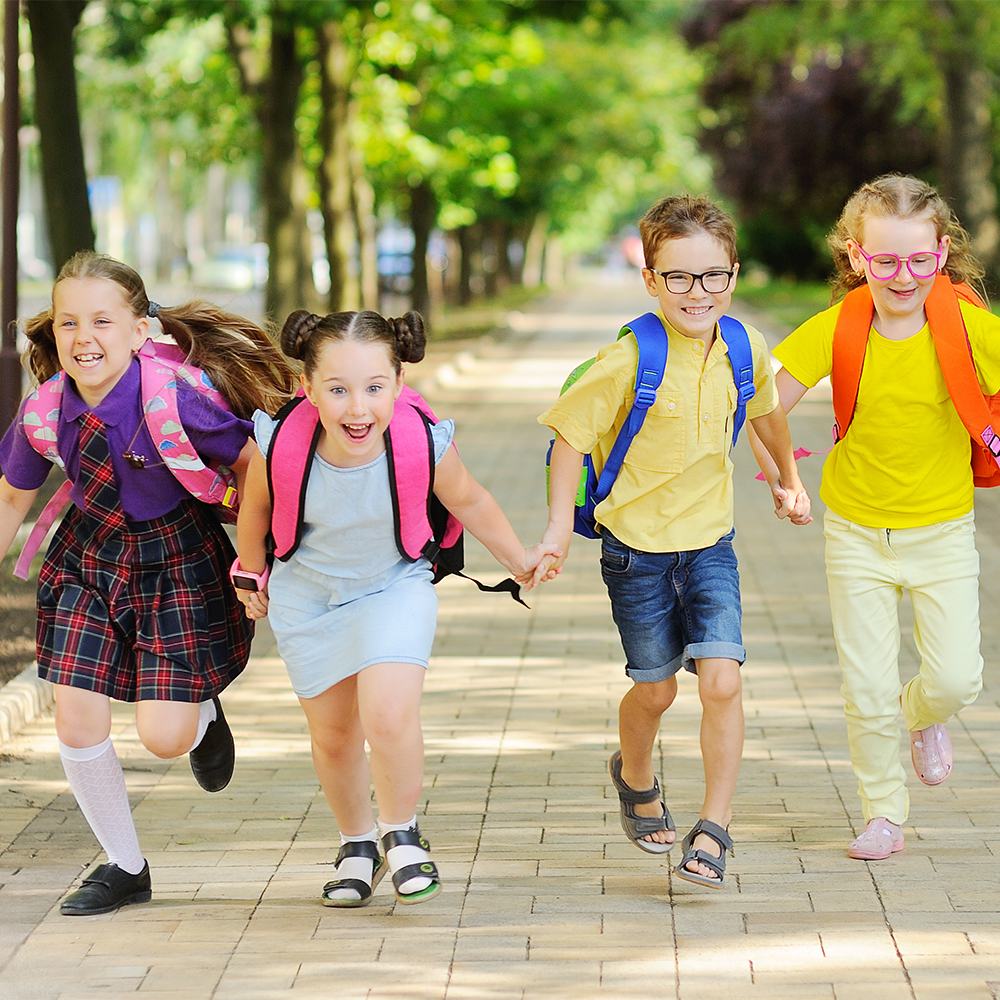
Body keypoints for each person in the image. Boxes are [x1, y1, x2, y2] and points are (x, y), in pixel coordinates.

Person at [233, 308, 560, 907]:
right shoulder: (279, 439)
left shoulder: (421, 442)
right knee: (333, 736)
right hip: (306, 595)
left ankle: (402, 835)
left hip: (394, 585)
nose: (357, 409)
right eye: (337, 389)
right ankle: (357, 845)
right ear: (307, 388)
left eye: (374, 388)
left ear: (399, 385)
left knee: (387, 715)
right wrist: (249, 568)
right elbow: (255, 508)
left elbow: (474, 501)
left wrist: (517, 558)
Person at [0, 252, 296, 915]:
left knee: (163, 736)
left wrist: (252, 557)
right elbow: (12, 500)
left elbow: (253, 465)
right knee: (76, 715)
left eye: (103, 321)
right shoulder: (44, 411)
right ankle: (124, 866)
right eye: (70, 323)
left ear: (139, 331)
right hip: (86, 558)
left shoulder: (176, 398)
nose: (84, 338)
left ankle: (204, 716)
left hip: (175, 559)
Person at [538, 195, 810, 889]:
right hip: (635, 551)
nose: (698, 292)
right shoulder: (628, 359)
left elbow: (768, 415)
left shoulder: (744, 347)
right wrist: (553, 534)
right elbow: (569, 436)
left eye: (713, 275)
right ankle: (634, 775)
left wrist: (787, 480)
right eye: (679, 277)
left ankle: (714, 828)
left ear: (734, 275)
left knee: (723, 681)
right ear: (651, 281)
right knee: (655, 693)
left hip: (711, 543)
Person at [752, 174, 1000, 861]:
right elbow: (766, 401)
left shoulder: (971, 327)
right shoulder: (840, 324)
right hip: (855, 531)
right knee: (863, 684)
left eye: (920, 259)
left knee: (957, 678)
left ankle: (921, 715)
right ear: (857, 256)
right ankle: (882, 812)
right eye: (885, 260)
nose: (904, 275)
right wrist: (786, 479)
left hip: (944, 530)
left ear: (942, 251)